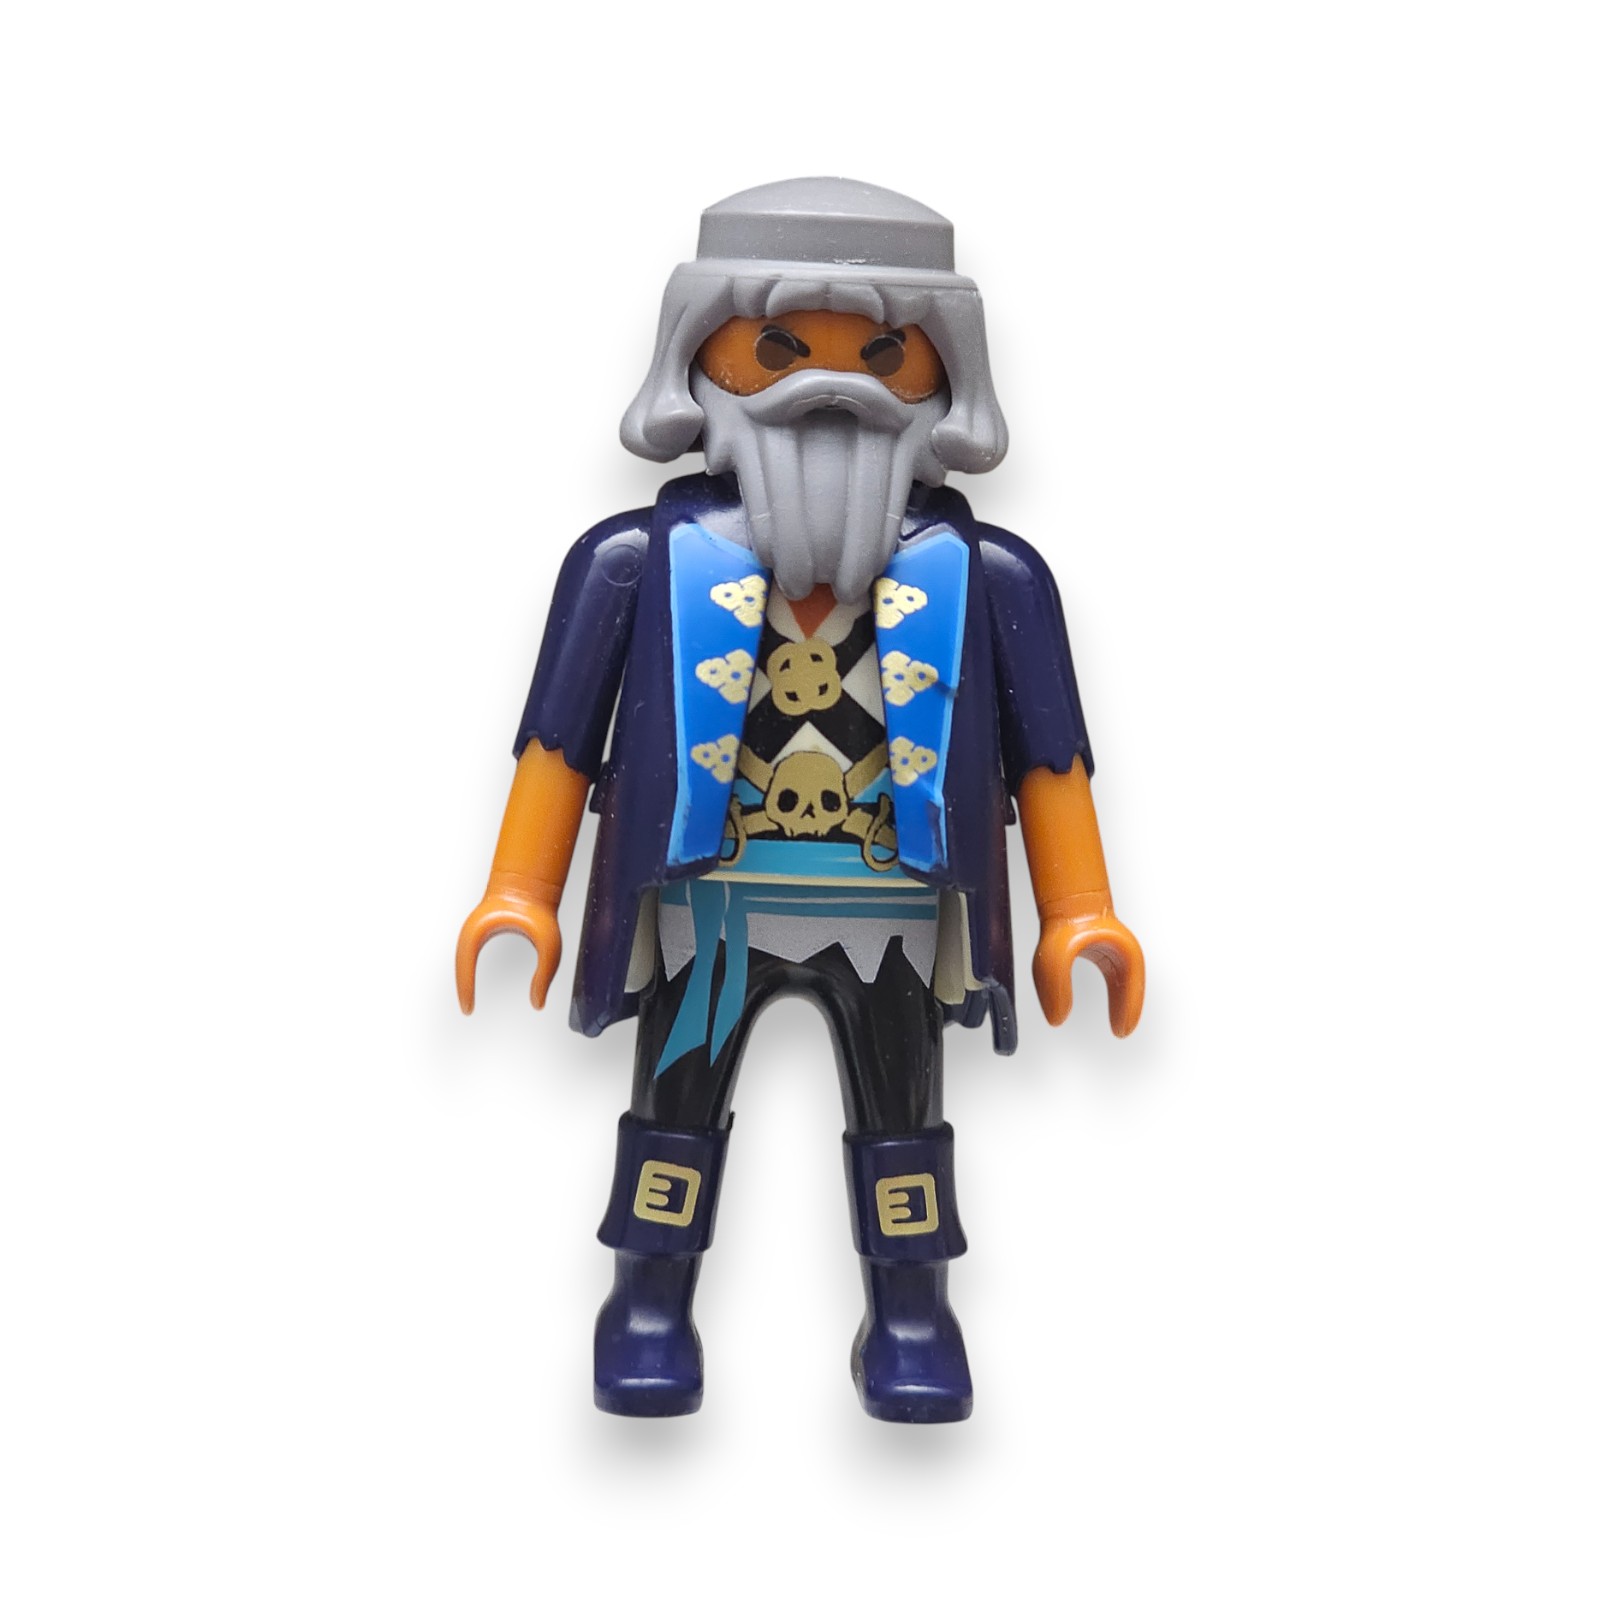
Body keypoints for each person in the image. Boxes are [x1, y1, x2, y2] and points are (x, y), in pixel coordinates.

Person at [456, 177, 1144, 1423]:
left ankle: (912, 1316)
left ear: (940, 377)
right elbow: (556, 741)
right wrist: (520, 890)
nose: (830, 389)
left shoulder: (988, 576)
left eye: (880, 356)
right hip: (705, 915)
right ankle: (647, 1305)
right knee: (671, 1116)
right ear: (701, 361)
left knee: (904, 1126)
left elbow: (1051, 759)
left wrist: (1079, 912)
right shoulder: (634, 564)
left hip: (893, 917)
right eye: (778, 349)